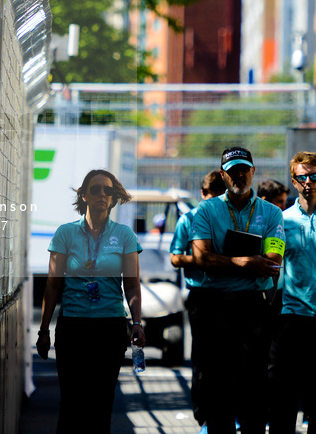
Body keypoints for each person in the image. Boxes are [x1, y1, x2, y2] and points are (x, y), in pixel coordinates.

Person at [36, 169, 144, 434]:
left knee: (101, 404)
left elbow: (131, 284)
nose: (102, 194)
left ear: (114, 197)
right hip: (73, 327)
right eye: (95, 189)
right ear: (83, 195)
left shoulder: (125, 235)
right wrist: (43, 330)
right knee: (72, 405)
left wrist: (137, 322)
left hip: (110, 328)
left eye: (108, 190)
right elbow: (53, 285)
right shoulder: (65, 233)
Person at [189, 146, 285, 434]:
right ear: (223, 175)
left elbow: (272, 262)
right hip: (215, 307)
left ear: (253, 172)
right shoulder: (206, 210)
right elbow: (201, 259)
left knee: (254, 388)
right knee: (218, 390)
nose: (239, 175)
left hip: (254, 307)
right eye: (232, 171)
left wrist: (224, 262)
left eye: (244, 169)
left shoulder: (271, 213)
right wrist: (244, 262)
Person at [268, 152, 316, 434]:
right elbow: (272, 267)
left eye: (314, 176)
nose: (309, 182)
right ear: (294, 181)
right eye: (302, 177)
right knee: (282, 402)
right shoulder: (280, 219)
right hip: (291, 319)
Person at [170, 170, 226, 426]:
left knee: (229, 357)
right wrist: (204, 259)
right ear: (203, 195)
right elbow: (175, 256)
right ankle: (202, 414)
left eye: (220, 196)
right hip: (201, 294)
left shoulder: (230, 218)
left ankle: (226, 413)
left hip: (228, 292)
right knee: (202, 357)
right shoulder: (189, 220)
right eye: (210, 196)